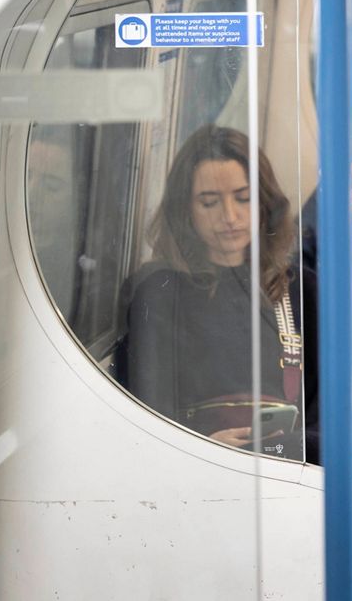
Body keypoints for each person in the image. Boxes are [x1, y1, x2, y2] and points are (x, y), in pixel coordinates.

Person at [121, 125, 304, 459]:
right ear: (185, 211)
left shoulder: (300, 291)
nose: (230, 217)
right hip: (196, 462)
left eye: (243, 198)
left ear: (265, 203)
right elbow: (147, 412)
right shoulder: (159, 292)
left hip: (288, 465)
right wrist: (206, 444)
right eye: (209, 202)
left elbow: (327, 413)